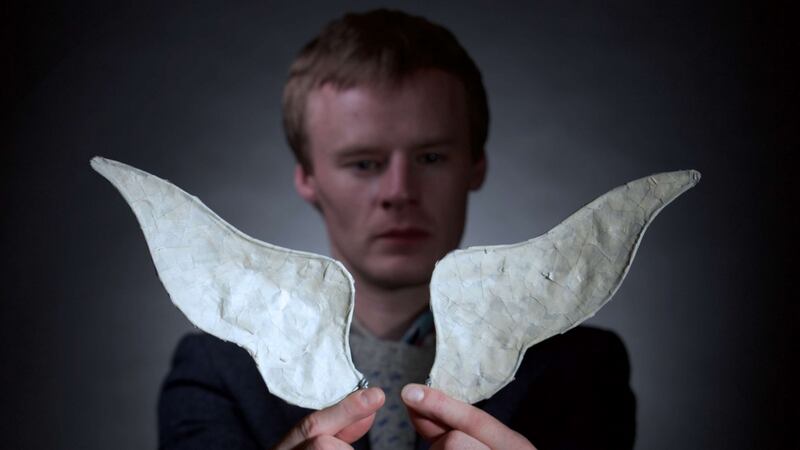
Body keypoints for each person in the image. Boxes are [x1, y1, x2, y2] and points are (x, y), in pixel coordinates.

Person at [158, 9, 635, 450]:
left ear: (475, 165)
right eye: (364, 163)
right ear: (307, 178)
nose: (399, 191)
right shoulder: (215, 372)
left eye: (431, 157)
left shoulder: (585, 369)